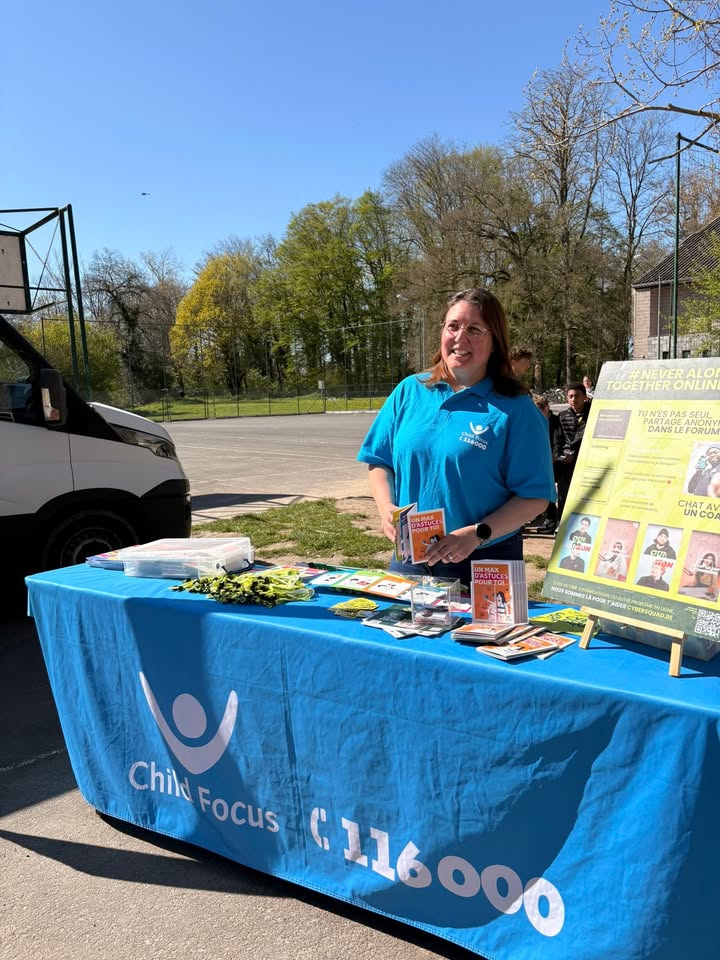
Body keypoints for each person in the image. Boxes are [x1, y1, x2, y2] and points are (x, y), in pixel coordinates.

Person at [357, 288, 555, 585]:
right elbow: (379, 461)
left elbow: (536, 497)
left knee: (472, 635)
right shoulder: (410, 391)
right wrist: (387, 508)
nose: (461, 338)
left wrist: (478, 533)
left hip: (485, 561)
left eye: (474, 329)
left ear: (494, 342)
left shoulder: (516, 409)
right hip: (411, 557)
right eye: (453, 326)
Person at [553, 382, 592, 524]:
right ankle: (561, 524)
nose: (573, 400)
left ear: (585, 397)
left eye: (576, 396)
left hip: (586, 464)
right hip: (566, 465)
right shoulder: (562, 416)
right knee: (563, 494)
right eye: (570, 396)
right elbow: (557, 440)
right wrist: (559, 457)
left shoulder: (594, 413)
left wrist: (577, 456)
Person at [528, 394, 559, 533]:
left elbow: (557, 441)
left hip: (556, 462)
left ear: (546, 408)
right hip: (538, 461)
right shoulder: (534, 421)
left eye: (539, 410)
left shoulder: (556, 422)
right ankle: (540, 515)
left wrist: (552, 456)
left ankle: (553, 519)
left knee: (549, 491)